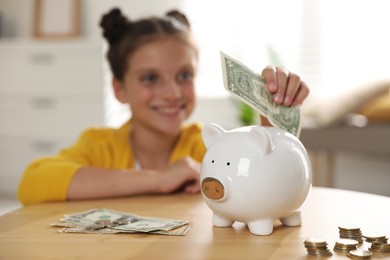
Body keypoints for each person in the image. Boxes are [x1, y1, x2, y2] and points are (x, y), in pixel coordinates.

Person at [18, 8, 310, 205]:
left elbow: (271, 187)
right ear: (120, 89)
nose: (171, 93)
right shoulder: (100, 146)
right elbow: (33, 183)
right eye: (150, 78)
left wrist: (272, 115)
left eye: (184, 75)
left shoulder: (209, 149)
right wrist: (158, 178)